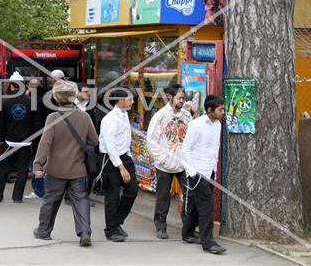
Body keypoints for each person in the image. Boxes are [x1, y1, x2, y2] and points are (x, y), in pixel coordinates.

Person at [33, 81, 98, 247]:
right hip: (78, 169)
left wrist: (38, 164)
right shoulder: (85, 117)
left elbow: (45, 143)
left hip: (55, 169)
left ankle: (44, 231)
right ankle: (84, 232)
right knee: (81, 200)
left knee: (51, 200)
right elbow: (95, 140)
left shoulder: (52, 118)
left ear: (56, 98)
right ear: (74, 96)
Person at [181, 95, 226, 254]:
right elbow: (185, 150)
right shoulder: (196, 125)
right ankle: (208, 242)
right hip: (197, 172)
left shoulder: (218, 125)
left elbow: (214, 148)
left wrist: (214, 168)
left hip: (210, 171)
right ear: (209, 110)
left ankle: (187, 233)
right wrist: (193, 173)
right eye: (220, 109)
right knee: (207, 207)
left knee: (194, 204)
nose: (223, 112)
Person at [147, 84, 192, 239]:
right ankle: (160, 226)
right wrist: (163, 159)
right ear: (170, 97)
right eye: (179, 97)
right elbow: (151, 141)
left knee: (188, 196)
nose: (182, 100)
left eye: (183, 98)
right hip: (165, 165)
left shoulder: (187, 116)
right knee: (163, 196)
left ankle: (188, 228)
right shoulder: (160, 116)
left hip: (183, 164)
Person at [0, 72, 41, 203]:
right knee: (22, 170)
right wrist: (32, 140)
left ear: (11, 84)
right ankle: (17, 197)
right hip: (26, 143)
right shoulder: (31, 101)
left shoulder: (3, 101)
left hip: (9, 141)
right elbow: (37, 124)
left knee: (3, 169)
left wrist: (2, 139)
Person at [99, 88, 138, 242]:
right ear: (120, 101)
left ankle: (116, 222)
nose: (133, 102)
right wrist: (121, 168)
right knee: (112, 196)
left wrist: (128, 160)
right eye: (130, 99)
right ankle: (110, 230)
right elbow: (110, 146)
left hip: (125, 157)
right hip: (111, 160)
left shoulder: (125, 114)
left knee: (132, 190)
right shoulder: (109, 119)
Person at [24, 78, 45, 200]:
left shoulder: (31, 100)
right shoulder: (45, 98)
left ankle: (38, 190)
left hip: (35, 136)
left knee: (35, 164)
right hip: (45, 133)